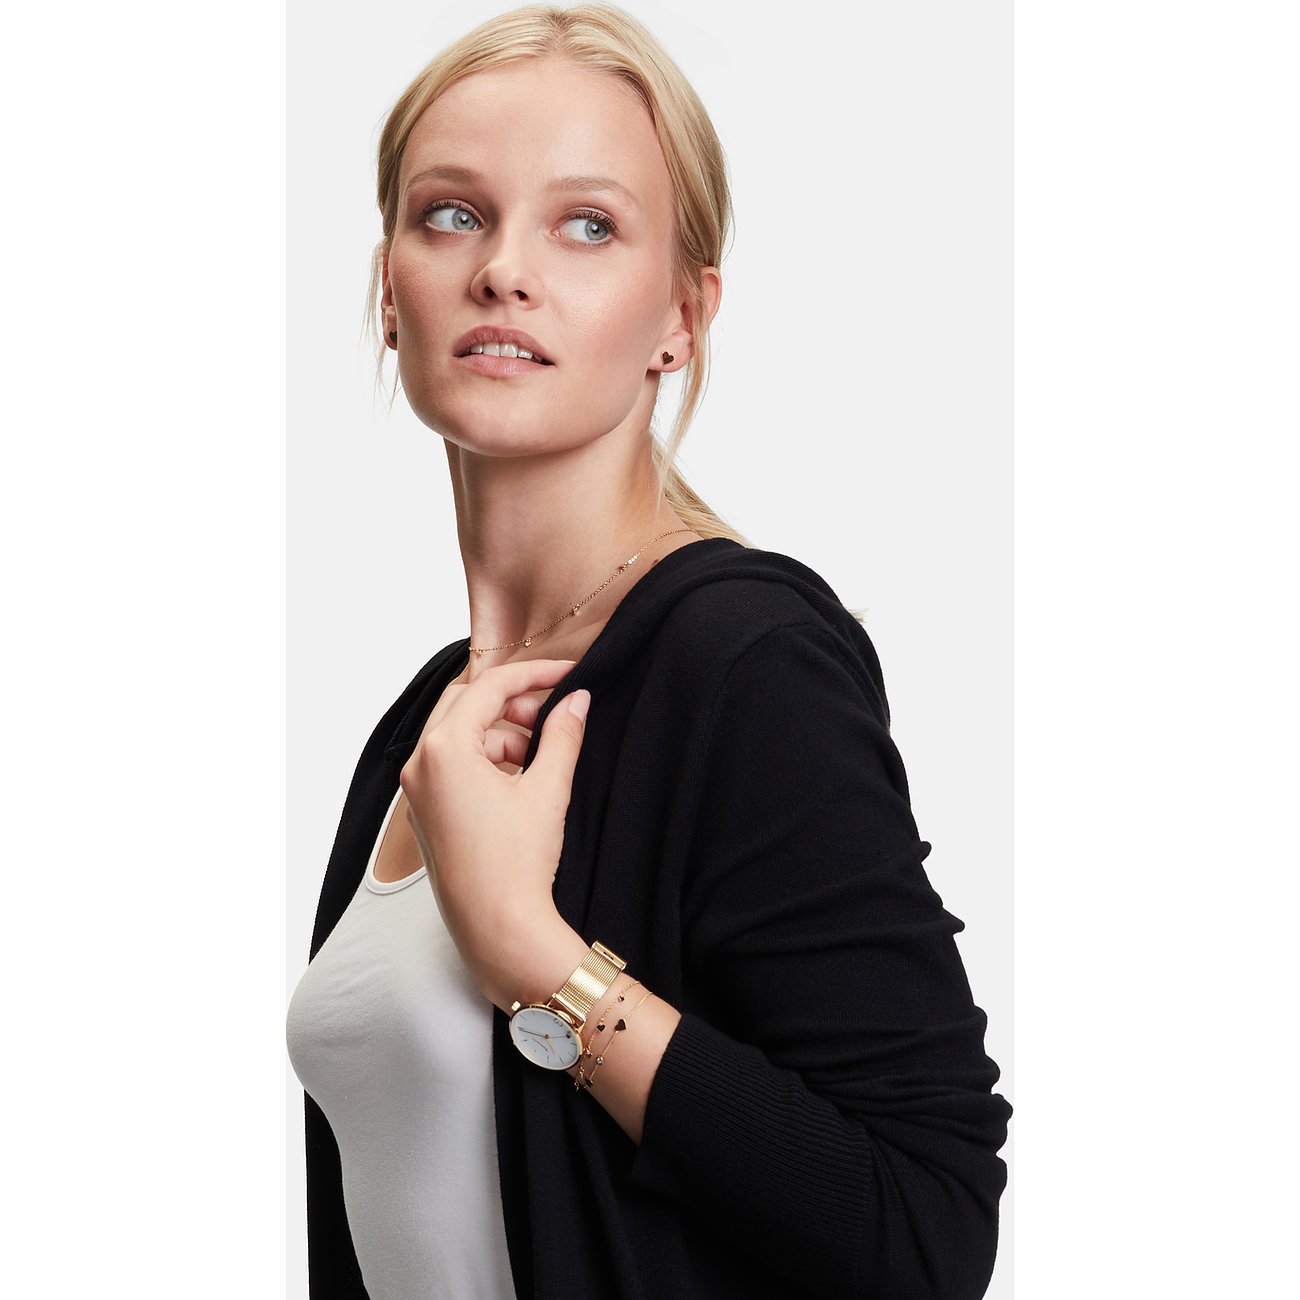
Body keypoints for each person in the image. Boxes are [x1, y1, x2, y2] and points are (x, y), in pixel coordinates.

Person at [286, 5, 1013, 1298]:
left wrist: (534, 957)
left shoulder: (744, 662)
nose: (505, 270)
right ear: (388, 290)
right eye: (452, 213)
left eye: (587, 224)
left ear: (683, 313)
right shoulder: (424, 722)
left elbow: (926, 1229)